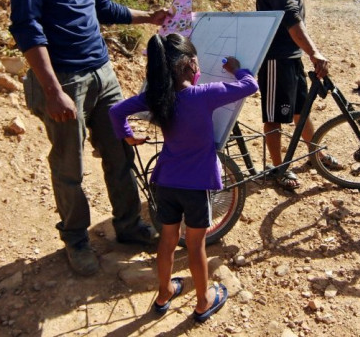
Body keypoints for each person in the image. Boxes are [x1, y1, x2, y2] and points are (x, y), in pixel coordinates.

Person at [2, 0, 170, 276]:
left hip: (102, 72)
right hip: (63, 79)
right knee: (69, 167)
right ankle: (76, 239)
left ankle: (128, 226)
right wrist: (51, 88)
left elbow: (102, 6)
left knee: (119, 152)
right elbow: (26, 23)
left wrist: (149, 16)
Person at [109, 33, 258, 322]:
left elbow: (116, 111)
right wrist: (236, 68)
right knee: (195, 245)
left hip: (165, 181)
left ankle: (164, 293)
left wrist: (127, 138)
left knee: (167, 240)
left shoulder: (155, 98)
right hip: (197, 184)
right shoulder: (204, 95)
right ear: (191, 63)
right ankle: (203, 301)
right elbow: (249, 85)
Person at [256, 0, 344, 191]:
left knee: (300, 110)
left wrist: (305, 53)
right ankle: (279, 168)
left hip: (291, 56)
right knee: (274, 116)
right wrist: (315, 53)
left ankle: (315, 154)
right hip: (275, 58)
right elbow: (292, 20)